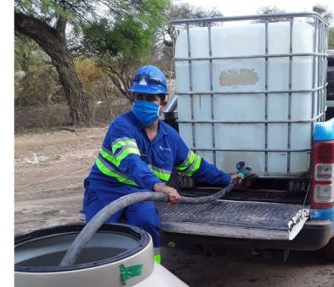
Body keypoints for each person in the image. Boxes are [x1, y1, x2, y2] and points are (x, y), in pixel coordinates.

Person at [83, 65, 241, 264]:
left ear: (163, 104)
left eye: (150, 99)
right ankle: (105, 278)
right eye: (139, 98)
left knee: (147, 223)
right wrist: (158, 185)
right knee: (105, 235)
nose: (143, 103)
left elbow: (196, 166)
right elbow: (130, 162)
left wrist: (227, 178)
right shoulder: (122, 126)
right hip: (106, 189)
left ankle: (152, 272)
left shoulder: (170, 138)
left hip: (140, 192)